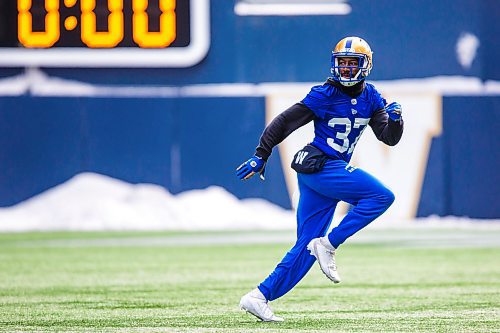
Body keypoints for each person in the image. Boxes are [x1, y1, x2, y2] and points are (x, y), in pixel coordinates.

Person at [236, 36, 404, 322]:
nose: (347, 69)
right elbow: (284, 122)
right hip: (322, 166)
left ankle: (258, 296)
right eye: (343, 63)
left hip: (323, 172)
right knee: (381, 196)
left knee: (305, 247)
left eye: (354, 64)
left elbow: (388, 138)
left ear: (367, 65)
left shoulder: (373, 96)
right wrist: (261, 154)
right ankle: (330, 243)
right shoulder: (324, 94)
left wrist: (397, 121)